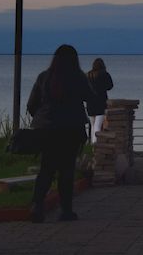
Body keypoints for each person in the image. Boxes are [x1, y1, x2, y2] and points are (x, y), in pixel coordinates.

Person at [26, 44, 98, 223]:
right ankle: (66, 211)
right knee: (67, 170)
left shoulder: (44, 77)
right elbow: (90, 97)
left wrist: (43, 118)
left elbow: (31, 105)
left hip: (47, 130)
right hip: (71, 130)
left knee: (46, 169)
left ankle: (37, 206)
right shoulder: (78, 77)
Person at [86, 58, 114, 144]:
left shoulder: (88, 75)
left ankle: (91, 144)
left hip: (90, 102)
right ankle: (95, 144)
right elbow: (110, 86)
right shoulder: (104, 74)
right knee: (98, 124)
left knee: (93, 124)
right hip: (101, 102)